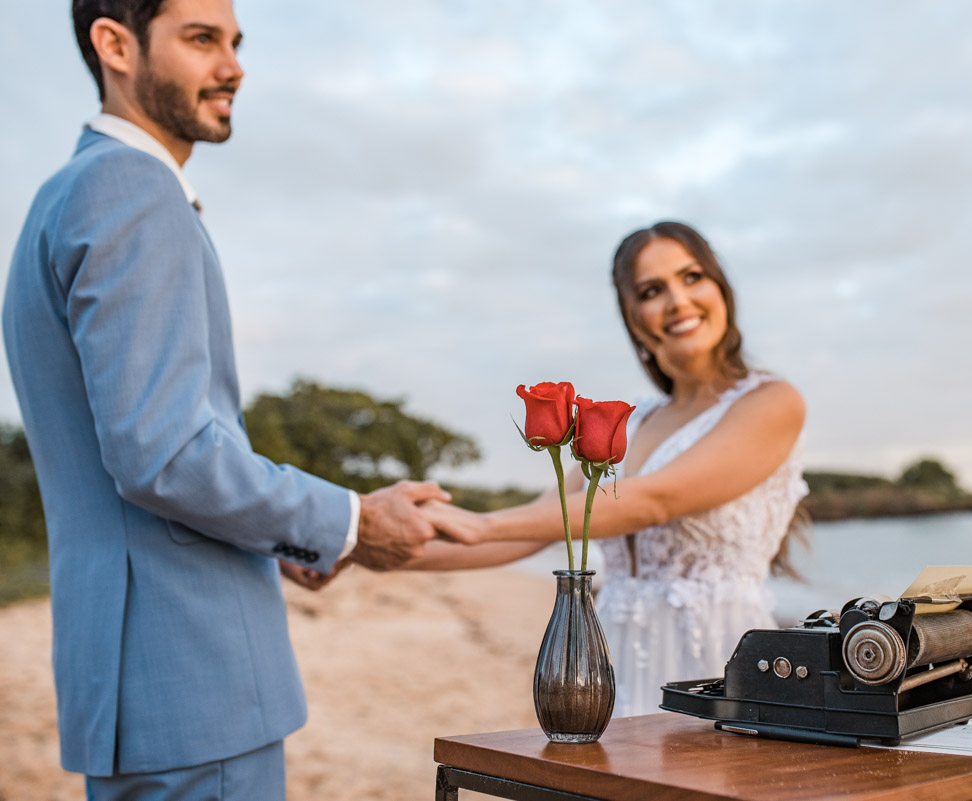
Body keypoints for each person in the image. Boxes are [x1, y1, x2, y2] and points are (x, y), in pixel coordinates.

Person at [1, 1, 463, 797]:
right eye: (201, 39)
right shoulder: (132, 190)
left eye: (236, 42)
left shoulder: (64, 193)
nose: (234, 66)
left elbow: (129, 453)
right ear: (115, 45)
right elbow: (166, 454)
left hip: (135, 686)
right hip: (194, 679)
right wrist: (350, 520)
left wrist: (277, 539)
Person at [415, 221, 809, 716]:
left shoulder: (771, 402)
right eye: (651, 290)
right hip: (612, 662)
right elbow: (544, 523)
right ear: (633, 316)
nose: (677, 301)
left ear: (720, 287)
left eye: (692, 278)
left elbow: (652, 502)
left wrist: (483, 522)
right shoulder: (635, 419)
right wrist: (366, 550)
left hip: (716, 663)